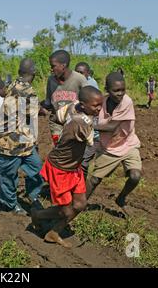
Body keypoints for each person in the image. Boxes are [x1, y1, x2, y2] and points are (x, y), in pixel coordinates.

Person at [31, 86, 103, 247]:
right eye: (95, 106)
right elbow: (92, 140)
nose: (99, 109)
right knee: (66, 210)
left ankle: (53, 233)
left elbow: (56, 117)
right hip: (61, 169)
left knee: (80, 204)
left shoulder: (73, 106)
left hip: (73, 167)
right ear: (83, 105)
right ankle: (38, 215)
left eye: (100, 105)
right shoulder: (81, 122)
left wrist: (59, 135)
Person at [0, 58, 44, 214]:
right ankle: (10, 204)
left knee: (36, 167)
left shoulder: (12, 84)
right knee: (9, 175)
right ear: (34, 73)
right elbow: (31, 115)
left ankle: (33, 196)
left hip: (21, 140)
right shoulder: (27, 90)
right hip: (8, 141)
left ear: (19, 72)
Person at [87, 72, 142, 213]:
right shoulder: (101, 103)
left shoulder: (126, 102)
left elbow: (111, 127)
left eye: (123, 90)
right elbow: (90, 114)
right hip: (109, 147)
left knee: (135, 176)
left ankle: (121, 198)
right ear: (106, 89)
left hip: (128, 143)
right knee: (94, 180)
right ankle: (79, 205)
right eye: (116, 90)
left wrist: (86, 124)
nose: (120, 93)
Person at [40, 50, 88, 145]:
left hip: (74, 122)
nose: (51, 69)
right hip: (56, 123)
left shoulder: (79, 79)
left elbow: (87, 101)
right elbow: (49, 101)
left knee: (72, 149)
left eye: (53, 66)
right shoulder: (51, 80)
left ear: (63, 65)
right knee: (59, 148)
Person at [75, 62, 100, 179]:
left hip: (91, 131)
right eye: (77, 72)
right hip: (79, 128)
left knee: (83, 162)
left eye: (81, 72)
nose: (78, 74)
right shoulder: (75, 82)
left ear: (87, 73)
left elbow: (94, 110)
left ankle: (81, 188)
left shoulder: (91, 85)